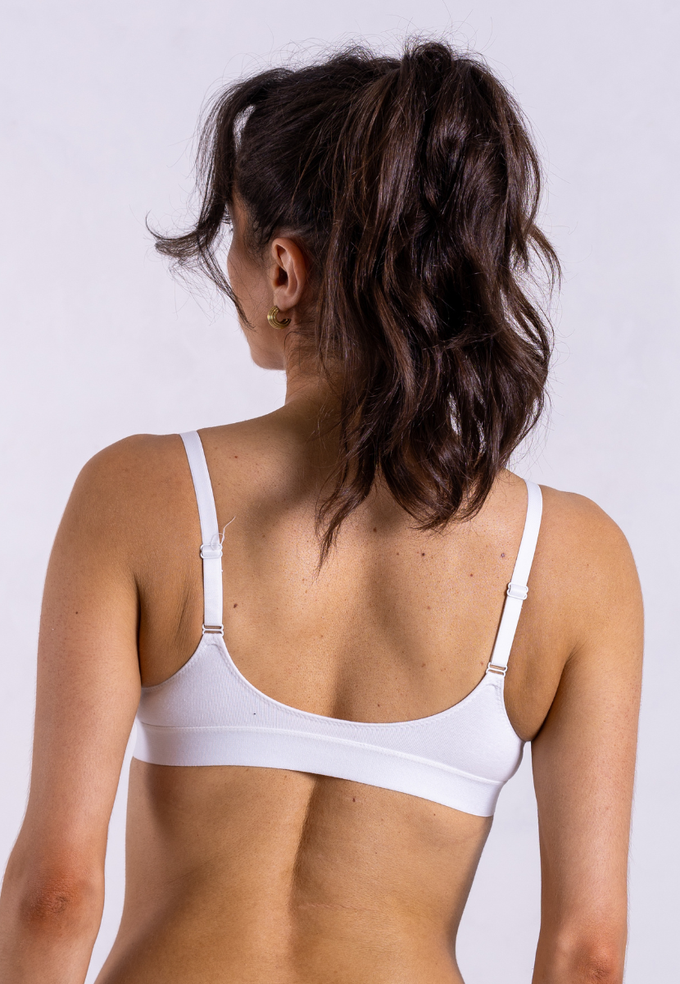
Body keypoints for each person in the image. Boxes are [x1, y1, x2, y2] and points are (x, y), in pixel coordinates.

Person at [0, 40, 642, 984]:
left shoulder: (138, 496)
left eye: (237, 238)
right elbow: (589, 954)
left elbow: (56, 893)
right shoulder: (577, 562)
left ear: (283, 270)